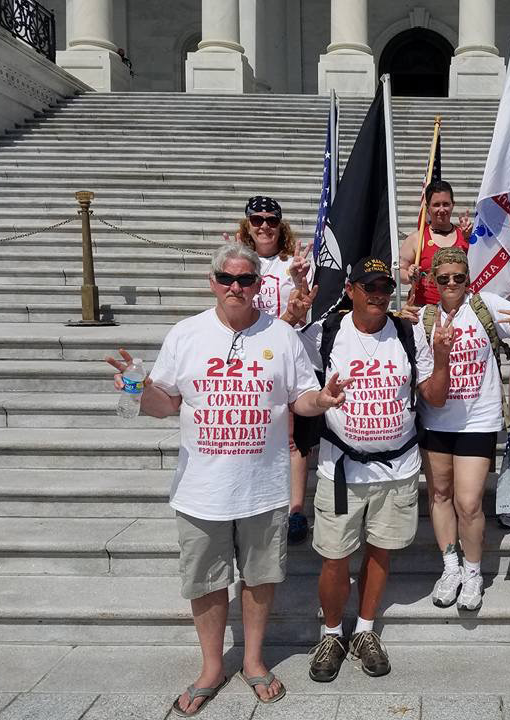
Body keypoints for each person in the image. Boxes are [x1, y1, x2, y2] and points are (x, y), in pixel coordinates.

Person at [106, 242, 349, 717]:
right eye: (227, 278)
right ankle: (212, 667)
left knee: (259, 579)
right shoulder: (186, 334)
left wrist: (321, 401)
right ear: (212, 281)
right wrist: (138, 390)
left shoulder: (280, 335)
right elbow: (166, 404)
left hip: (263, 486)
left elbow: (299, 398)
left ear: (260, 284)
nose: (236, 287)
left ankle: (254, 661)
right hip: (201, 489)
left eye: (246, 279)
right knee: (206, 582)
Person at [301, 257, 453, 682]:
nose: (378, 295)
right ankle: (332, 633)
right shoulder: (327, 333)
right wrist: (295, 312)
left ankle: (365, 630)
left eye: (384, 287)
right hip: (342, 469)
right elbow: (291, 371)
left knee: (380, 551)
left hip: (397, 467)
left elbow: (435, 398)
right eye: (368, 287)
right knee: (334, 557)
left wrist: (441, 358)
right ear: (350, 290)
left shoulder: (408, 333)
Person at [416, 246, 510, 610]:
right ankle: (450, 566)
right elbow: (428, 385)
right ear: (434, 282)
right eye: (444, 279)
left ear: (468, 279)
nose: (452, 283)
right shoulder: (425, 318)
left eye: (459, 277)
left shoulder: (484, 305)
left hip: (478, 419)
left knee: (468, 502)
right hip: (437, 420)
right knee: (439, 495)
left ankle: (473, 572)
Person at [229, 195, 314, 545]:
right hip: (249, 357)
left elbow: (304, 309)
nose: (264, 225)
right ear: (247, 224)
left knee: (292, 436)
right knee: (251, 430)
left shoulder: (290, 262)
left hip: (288, 355)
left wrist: (300, 280)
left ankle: (295, 509)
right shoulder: (239, 262)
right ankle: (247, 499)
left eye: (271, 220)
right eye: (257, 219)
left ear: (282, 225)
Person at [399, 179, 473, 308]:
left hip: (461, 310)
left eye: (446, 204)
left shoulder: (465, 235)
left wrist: (469, 240)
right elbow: (397, 270)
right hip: (425, 309)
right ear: (427, 207)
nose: (442, 209)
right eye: (436, 204)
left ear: (453, 205)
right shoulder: (417, 238)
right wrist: (408, 275)